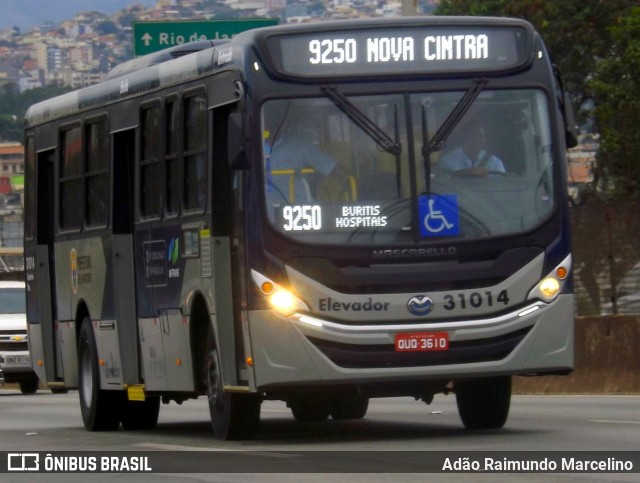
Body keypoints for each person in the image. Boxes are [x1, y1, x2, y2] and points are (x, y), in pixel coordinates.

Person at [439, 117, 506, 177]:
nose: (477, 140)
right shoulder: (448, 160)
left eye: (480, 136)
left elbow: (503, 185)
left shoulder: (494, 162)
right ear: (464, 137)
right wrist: (470, 172)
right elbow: (446, 180)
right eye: (473, 136)